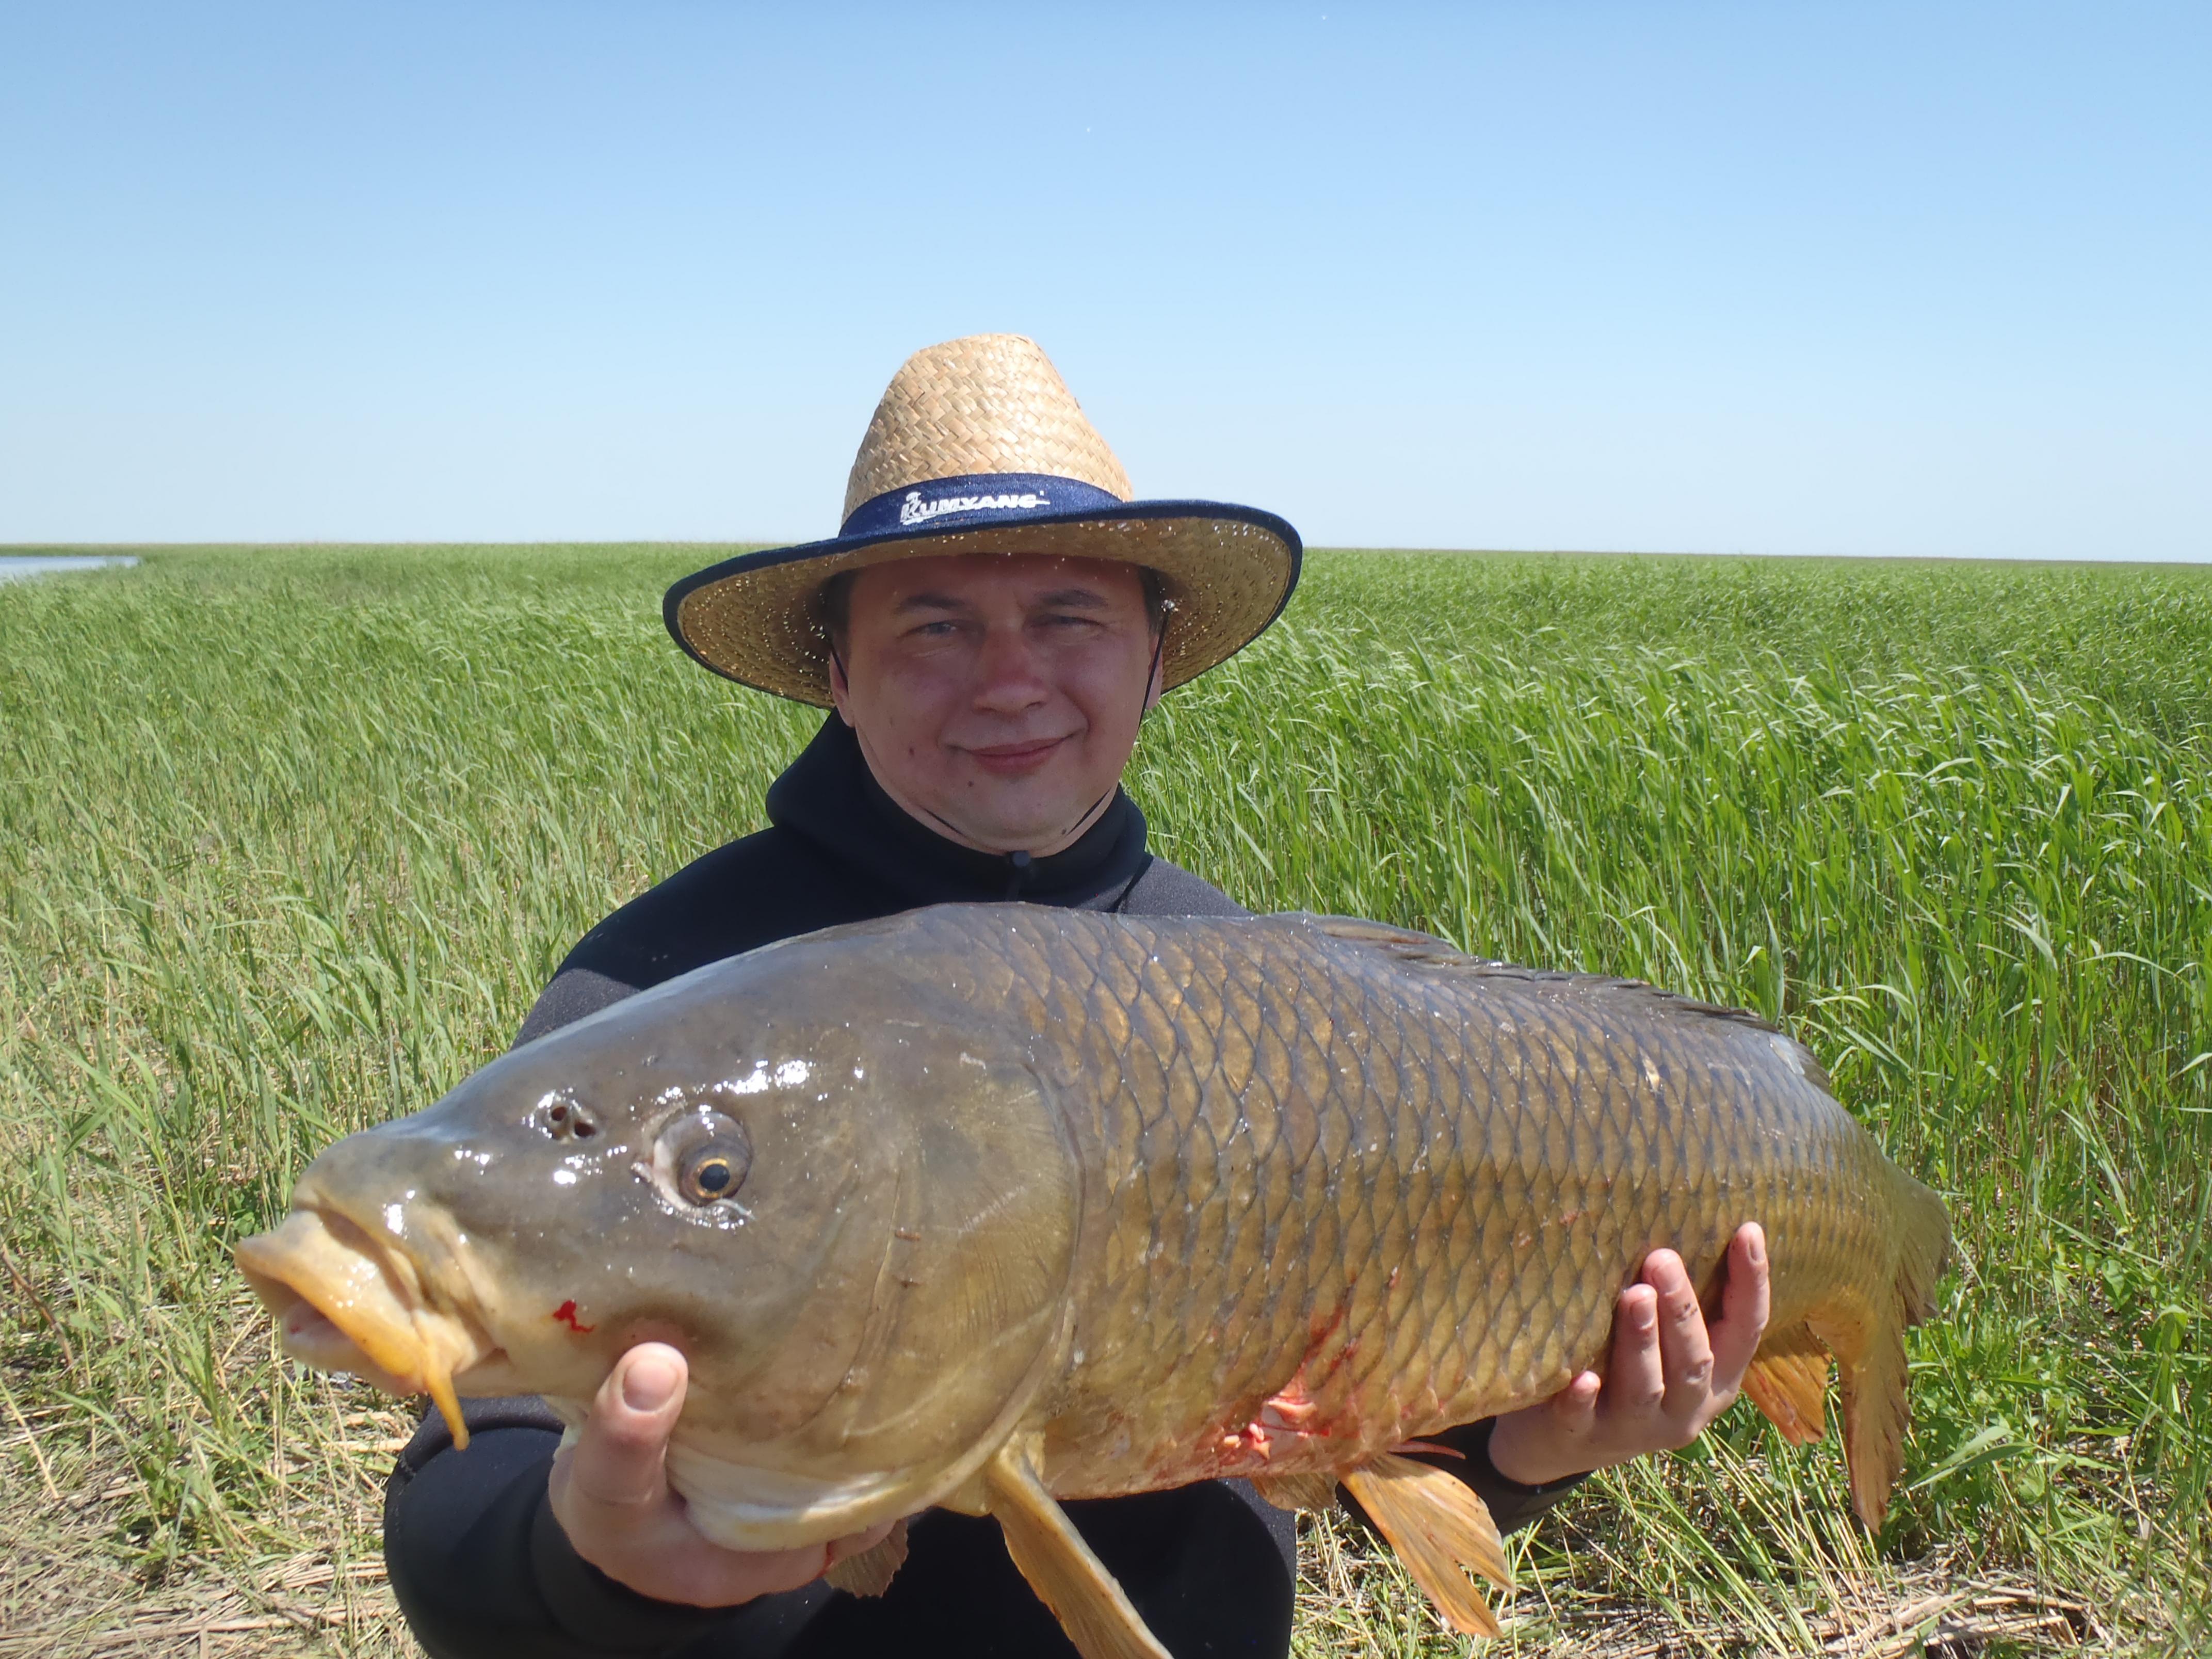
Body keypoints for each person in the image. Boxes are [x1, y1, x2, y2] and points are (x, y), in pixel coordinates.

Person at [382, 334, 1771, 1658]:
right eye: (936, 624)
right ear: (840, 674)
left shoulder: (1246, 990)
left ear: (1155, 661)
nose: (1010, 681)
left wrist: (1530, 1448)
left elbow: (1366, 1422)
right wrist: (588, 1553)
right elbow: (463, 1495)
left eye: (1069, 617)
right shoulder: (666, 994)